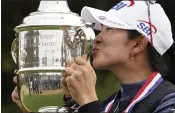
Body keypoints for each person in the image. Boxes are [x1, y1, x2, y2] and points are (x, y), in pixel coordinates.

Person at [12, 0, 175, 113]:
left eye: (109, 28)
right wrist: (38, 106)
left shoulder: (168, 101)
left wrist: (88, 100)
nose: (97, 38)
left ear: (138, 44)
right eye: (101, 29)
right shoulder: (109, 104)